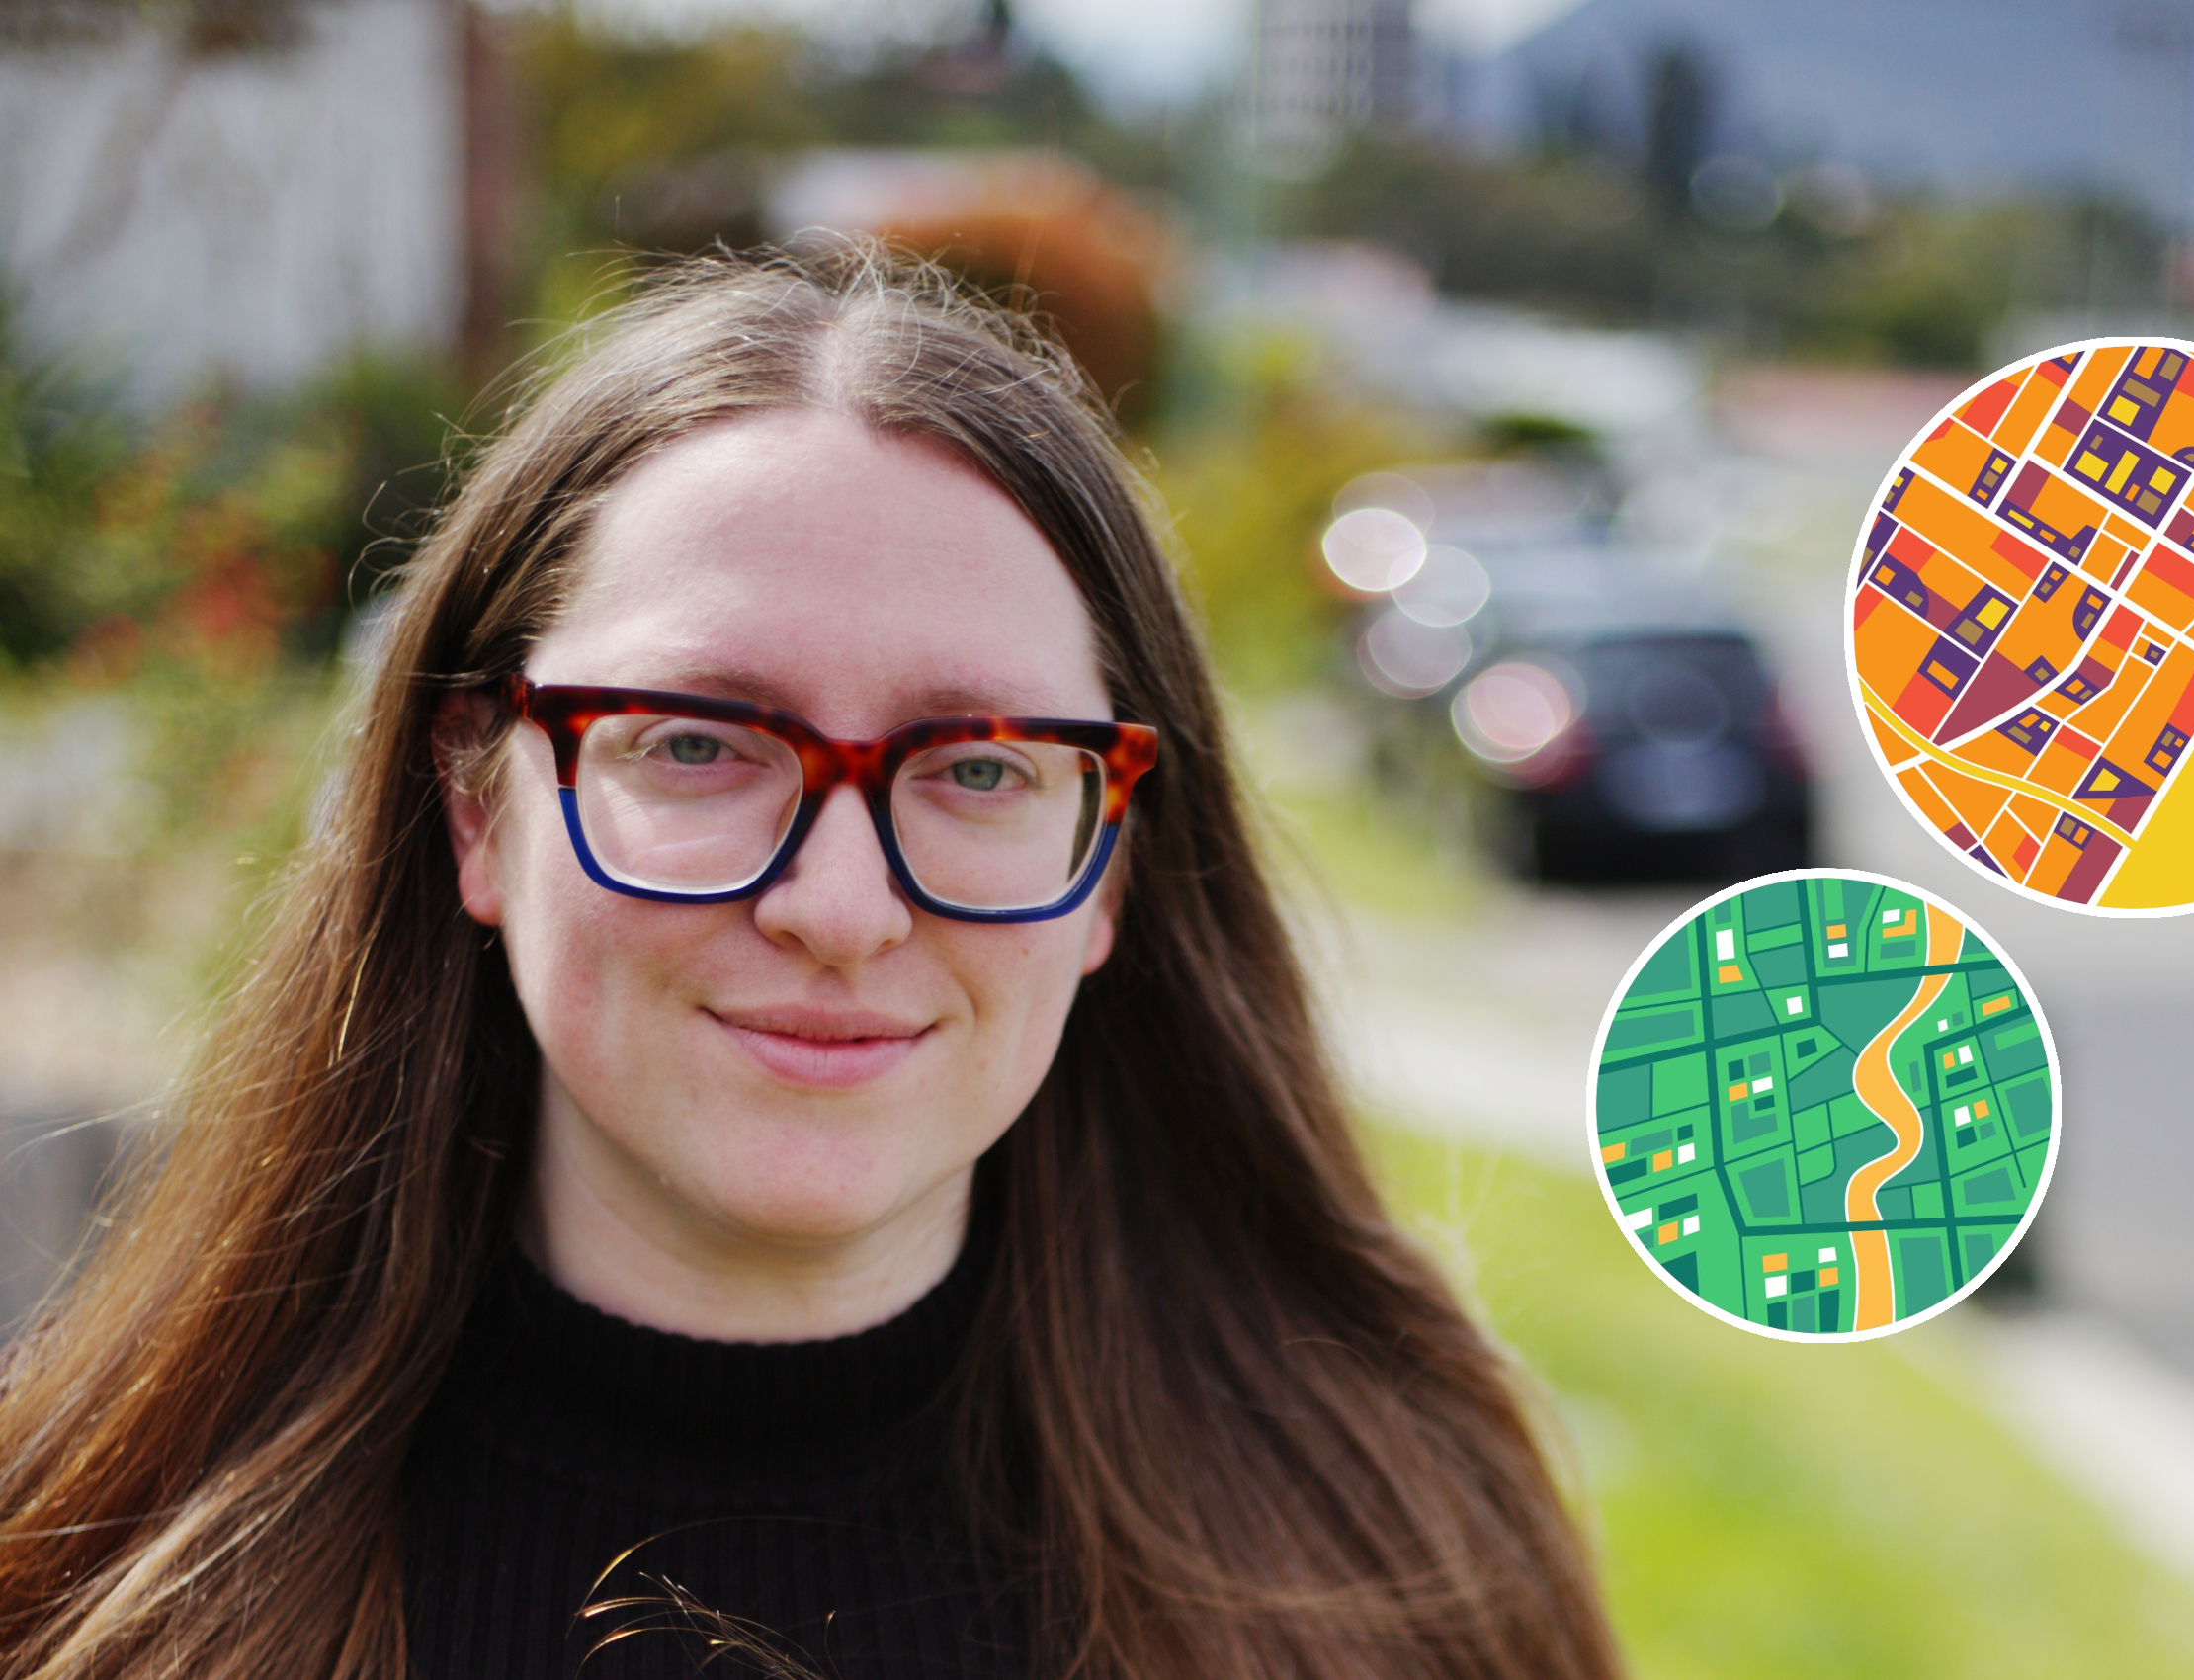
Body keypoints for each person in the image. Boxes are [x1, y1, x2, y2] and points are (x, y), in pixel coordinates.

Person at [0, 245, 1622, 1680]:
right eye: (700, 744)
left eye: (980, 767)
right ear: (475, 804)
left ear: (1107, 858)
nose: (839, 911)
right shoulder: (78, 1585)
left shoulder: (1405, 1570)